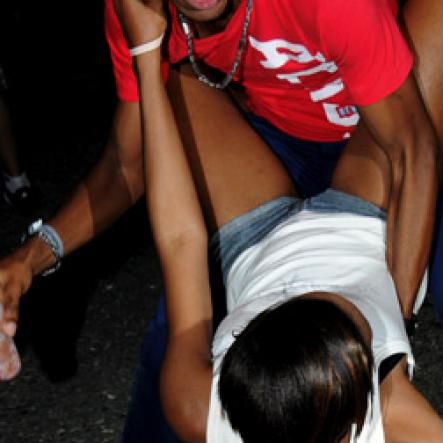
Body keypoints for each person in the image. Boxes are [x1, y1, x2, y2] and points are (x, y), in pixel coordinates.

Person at [0, 0, 440, 439]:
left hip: (255, 241)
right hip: (363, 227)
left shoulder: (198, 409)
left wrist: (147, 50)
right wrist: (397, 334)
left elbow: (180, 240)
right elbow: (415, 149)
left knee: (160, 71)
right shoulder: (391, 409)